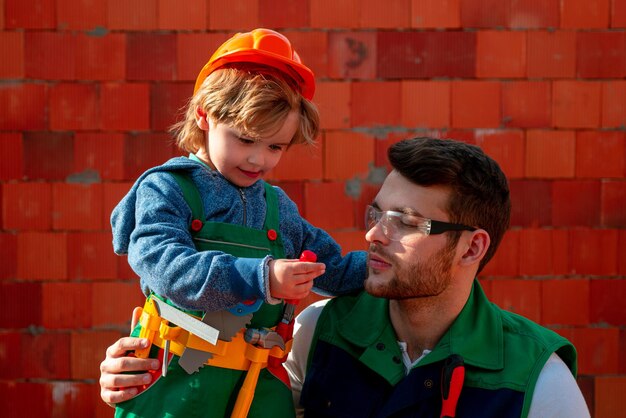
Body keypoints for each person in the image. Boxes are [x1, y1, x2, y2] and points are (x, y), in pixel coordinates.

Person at [101, 137, 590, 418]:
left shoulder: (539, 382)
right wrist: (150, 372)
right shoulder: (316, 332)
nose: (374, 234)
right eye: (377, 212)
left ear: (473, 246)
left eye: (406, 222)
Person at [109, 28, 366, 418]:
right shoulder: (167, 189)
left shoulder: (277, 207)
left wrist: (388, 268)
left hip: (258, 382)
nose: (258, 160)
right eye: (246, 139)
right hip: (178, 380)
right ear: (204, 115)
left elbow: (333, 268)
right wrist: (261, 278)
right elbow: (167, 267)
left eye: (275, 146)